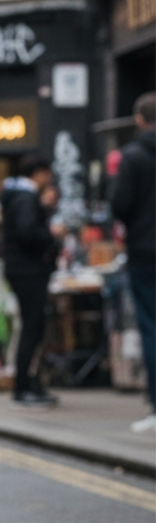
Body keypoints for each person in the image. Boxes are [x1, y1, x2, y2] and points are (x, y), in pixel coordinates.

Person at [0, 155, 62, 408]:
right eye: (47, 174)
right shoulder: (25, 198)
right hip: (28, 270)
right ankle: (23, 386)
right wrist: (51, 235)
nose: (49, 180)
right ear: (38, 173)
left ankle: (29, 382)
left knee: (33, 326)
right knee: (32, 327)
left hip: (22, 270)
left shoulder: (16, 197)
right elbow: (27, 232)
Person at [111, 92, 156, 433]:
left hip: (145, 252)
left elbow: (120, 205)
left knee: (151, 326)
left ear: (140, 120)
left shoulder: (134, 156)